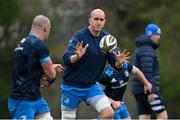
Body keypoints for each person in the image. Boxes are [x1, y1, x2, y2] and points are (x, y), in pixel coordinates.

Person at [61, 8, 130, 119]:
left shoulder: (107, 39)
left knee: (109, 113)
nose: (98, 22)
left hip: (91, 87)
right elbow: (66, 59)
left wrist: (119, 63)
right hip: (71, 86)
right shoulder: (80, 36)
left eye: (101, 19)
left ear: (104, 21)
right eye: (96, 19)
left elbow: (115, 66)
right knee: (68, 118)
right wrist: (77, 56)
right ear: (90, 20)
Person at [8, 15, 64, 119]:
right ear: (45, 28)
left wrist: (50, 67)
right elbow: (51, 75)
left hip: (36, 99)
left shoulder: (23, 43)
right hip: (22, 101)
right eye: (49, 28)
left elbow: (28, 69)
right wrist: (51, 73)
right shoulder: (40, 45)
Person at [98, 51, 152, 120]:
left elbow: (137, 71)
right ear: (114, 59)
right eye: (119, 56)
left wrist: (146, 83)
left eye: (121, 54)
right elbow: (98, 93)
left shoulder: (126, 66)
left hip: (120, 103)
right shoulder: (106, 75)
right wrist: (113, 102)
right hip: (109, 106)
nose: (122, 57)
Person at [131, 23, 168, 119]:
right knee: (163, 116)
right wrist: (151, 92)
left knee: (144, 116)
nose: (159, 37)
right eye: (157, 34)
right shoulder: (147, 49)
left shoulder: (142, 47)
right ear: (151, 34)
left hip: (139, 91)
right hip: (148, 90)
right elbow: (147, 71)